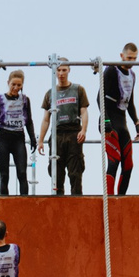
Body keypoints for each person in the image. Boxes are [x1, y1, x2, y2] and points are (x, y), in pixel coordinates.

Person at [42, 62, 91, 196]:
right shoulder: (50, 93)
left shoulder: (78, 89)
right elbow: (46, 119)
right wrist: (40, 140)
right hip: (57, 134)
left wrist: (84, 130)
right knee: (56, 171)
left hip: (74, 131)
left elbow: (84, 111)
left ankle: (77, 200)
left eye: (64, 70)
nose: (61, 73)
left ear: (69, 70)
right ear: (55, 72)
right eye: (58, 70)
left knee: (75, 171)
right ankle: (58, 201)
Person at [100, 44, 139, 197]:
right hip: (109, 119)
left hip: (122, 121)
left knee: (128, 165)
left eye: (135, 58)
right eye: (129, 57)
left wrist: (136, 122)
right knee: (114, 160)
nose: (131, 61)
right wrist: (105, 120)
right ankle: (109, 198)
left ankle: (121, 198)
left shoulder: (132, 75)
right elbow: (100, 97)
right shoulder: (111, 70)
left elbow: (130, 102)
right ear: (122, 55)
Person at [0, 69, 36, 197]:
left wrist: (32, 137)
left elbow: (29, 120)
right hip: (4, 137)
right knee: (4, 175)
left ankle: (24, 201)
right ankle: (5, 201)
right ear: (8, 83)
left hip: (18, 139)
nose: (16, 88)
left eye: (19, 85)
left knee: (22, 173)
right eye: (13, 84)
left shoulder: (25, 100)